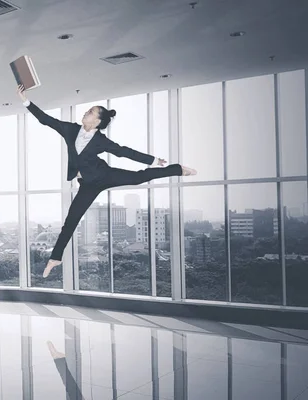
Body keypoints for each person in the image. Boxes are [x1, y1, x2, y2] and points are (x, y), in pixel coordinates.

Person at [17, 85, 197, 278]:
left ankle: (178, 169)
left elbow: (124, 151)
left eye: (91, 112)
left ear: (98, 120)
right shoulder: (70, 130)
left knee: (138, 178)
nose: (86, 112)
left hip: (105, 175)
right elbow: (46, 120)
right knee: (71, 220)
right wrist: (25, 100)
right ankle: (55, 257)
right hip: (88, 185)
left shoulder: (101, 140)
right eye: (88, 110)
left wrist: (153, 160)